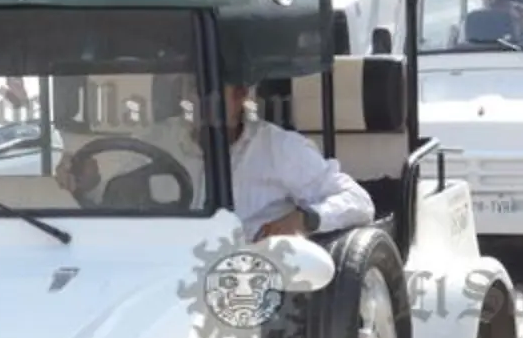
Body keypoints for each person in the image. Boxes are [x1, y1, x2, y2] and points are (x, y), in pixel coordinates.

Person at [55, 82, 376, 240]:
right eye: (192, 91)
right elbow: (118, 203)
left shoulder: (279, 148)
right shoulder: (156, 139)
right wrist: (90, 185)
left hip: (244, 280)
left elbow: (358, 201)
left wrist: (304, 220)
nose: (199, 103)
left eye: (209, 92)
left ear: (241, 96)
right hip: (162, 268)